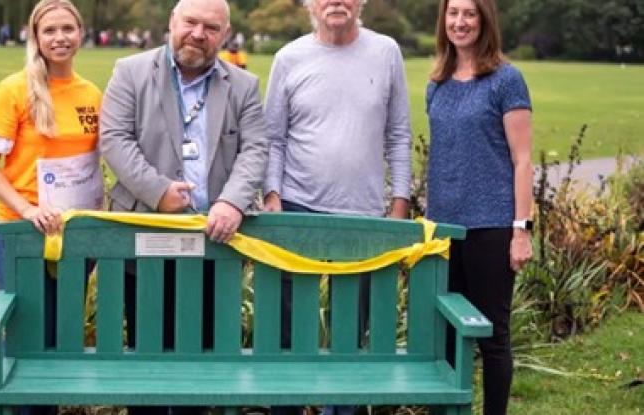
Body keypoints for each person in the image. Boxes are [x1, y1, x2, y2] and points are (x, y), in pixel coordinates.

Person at [99, 0, 267, 413]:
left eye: (211, 27)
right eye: (190, 22)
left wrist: (231, 201)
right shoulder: (131, 71)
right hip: (145, 240)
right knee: (147, 362)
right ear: (171, 23)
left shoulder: (243, 85)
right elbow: (115, 139)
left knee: (203, 363)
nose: (198, 33)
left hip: (215, 243)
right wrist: (157, 191)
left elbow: (256, 149)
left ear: (224, 35)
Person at [263, 0, 412, 414]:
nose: (336, 2)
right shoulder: (289, 58)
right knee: (290, 332)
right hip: (296, 207)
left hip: (363, 214)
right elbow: (273, 137)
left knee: (349, 332)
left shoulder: (386, 52)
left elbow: (398, 135)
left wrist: (399, 205)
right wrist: (272, 195)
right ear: (309, 4)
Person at [0, 2, 102, 413]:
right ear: (36, 37)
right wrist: (26, 209)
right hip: (24, 235)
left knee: (61, 340)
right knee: (27, 341)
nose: (60, 37)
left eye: (68, 28)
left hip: (75, 236)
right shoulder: (14, 90)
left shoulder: (91, 94)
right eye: (50, 30)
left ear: (81, 33)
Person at [425, 0, 533, 414]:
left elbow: (523, 160)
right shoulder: (436, 84)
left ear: (485, 19)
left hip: (491, 227)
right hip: (442, 231)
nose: (460, 22)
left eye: (469, 13)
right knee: (447, 334)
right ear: (443, 21)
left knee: (492, 337)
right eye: (453, 13)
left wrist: (520, 229)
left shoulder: (506, 80)